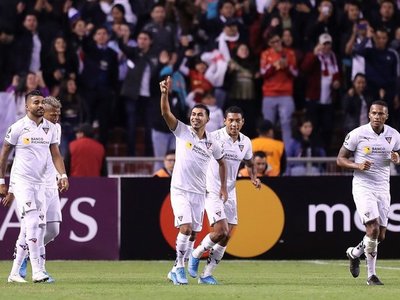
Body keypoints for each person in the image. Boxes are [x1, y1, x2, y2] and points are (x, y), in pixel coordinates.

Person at [159, 76, 227, 285]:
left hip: (200, 192)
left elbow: (222, 162)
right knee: (186, 228)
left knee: (193, 234)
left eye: (200, 115)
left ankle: (174, 270)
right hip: (180, 189)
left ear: (207, 119)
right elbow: (165, 113)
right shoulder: (182, 131)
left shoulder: (212, 143)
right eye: (193, 114)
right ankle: (180, 266)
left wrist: (223, 187)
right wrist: (164, 94)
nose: (195, 117)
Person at [0, 90, 69, 283]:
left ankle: (15, 272)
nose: (40, 105)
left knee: (45, 228)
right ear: (27, 106)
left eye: (41, 102)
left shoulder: (52, 128)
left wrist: (62, 174)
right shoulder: (17, 127)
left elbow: (56, 153)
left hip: (44, 183)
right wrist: (4, 183)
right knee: (33, 223)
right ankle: (39, 271)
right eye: (36, 102)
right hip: (23, 182)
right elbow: (5, 155)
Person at [187, 106, 261, 284]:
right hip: (212, 190)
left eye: (237, 120)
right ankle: (195, 254)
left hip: (230, 191)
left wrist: (253, 177)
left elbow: (249, 162)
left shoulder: (246, 142)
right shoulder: (214, 138)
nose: (234, 124)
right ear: (224, 121)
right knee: (221, 230)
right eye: (231, 120)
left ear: (242, 122)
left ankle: (206, 275)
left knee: (227, 235)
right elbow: (196, 155)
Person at [337, 100, 400, 285]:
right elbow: (340, 159)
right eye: (374, 113)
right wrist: (357, 165)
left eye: (381, 114)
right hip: (363, 186)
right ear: (369, 115)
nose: (377, 117)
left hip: (383, 187)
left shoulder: (394, 135)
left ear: (386, 116)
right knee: (372, 229)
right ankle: (371, 276)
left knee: (380, 236)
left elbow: (397, 154)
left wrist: (398, 157)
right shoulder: (357, 134)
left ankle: (354, 253)